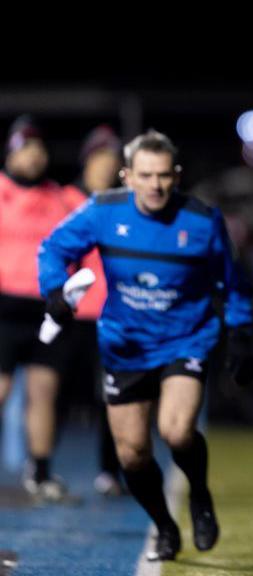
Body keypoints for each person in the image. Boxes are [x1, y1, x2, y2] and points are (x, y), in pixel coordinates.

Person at [38, 129, 253, 561]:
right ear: (128, 176)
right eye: (145, 175)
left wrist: (241, 334)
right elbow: (53, 248)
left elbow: (232, 283)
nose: (155, 185)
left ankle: (199, 495)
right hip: (126, 345)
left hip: (185, 338)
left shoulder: (201, 220)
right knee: (132, 454)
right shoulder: (103, 210)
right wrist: (55, 292)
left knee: (175, 431)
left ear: (176, 176)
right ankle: (164, 526)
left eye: (163, 176)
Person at [0, 115, 86, 502]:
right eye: (25, 149)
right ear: (11, 153)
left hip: (47, 309)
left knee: (43, 392)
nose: (33, 157)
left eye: (39, 149)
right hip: (4, 308)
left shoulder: (62, 198)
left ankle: (40, 471)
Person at [65, 124, 123, 496]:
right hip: (71, 313)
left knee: (111, 395)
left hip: (112, 313)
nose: (106, 165)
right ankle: (37, 465)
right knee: (52, 392)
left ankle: (109, 470)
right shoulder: (66, 198)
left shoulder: (123, 203)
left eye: (112, 159)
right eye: (100, 157)